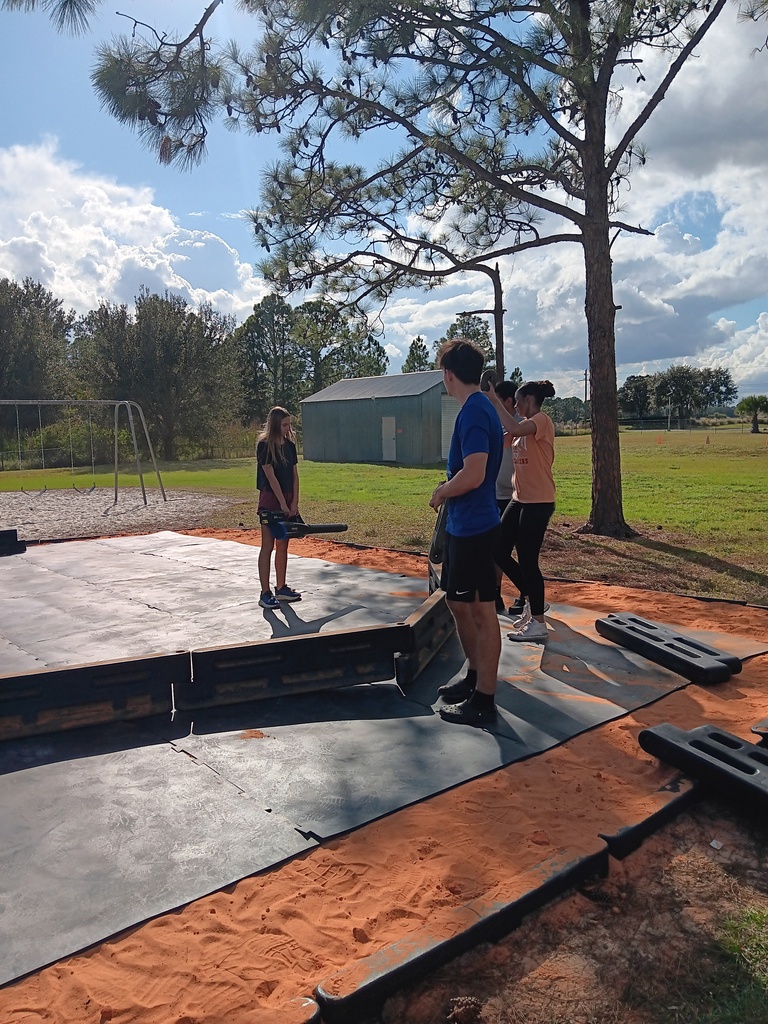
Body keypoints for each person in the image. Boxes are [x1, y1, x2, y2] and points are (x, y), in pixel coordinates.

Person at [430, 339, 504, 726]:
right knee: (458, 604)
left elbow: (474, 474)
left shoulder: (475, 411)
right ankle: (475, 677)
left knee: (481, 609)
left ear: (448, 374)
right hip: (464, 526)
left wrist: (442, 491)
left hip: (476, 528)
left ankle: (485, 700)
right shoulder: (472, 409)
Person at [486, 378, 556, 643]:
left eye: (517, 401)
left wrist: (495, 399)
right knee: (499, 551)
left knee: (528, 561)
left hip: (538, 501)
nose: (515, 406)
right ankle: (532, 600)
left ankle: (538, 622)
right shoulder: (521, 429)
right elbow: (502, 440)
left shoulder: (541, 421)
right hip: (520, 498)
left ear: (528, 399)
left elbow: (514, 426)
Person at [256, 406, 303, 610]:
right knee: (268, 545)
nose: (287, 428)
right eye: (284, 425)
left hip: (287, 498)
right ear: (275, 425)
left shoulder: (290, 446)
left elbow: (294, 475)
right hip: (270, 499)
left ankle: (281, 587)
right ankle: (265, 592)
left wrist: (294, 502)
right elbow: (270, 475)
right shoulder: (264, 445)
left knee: (283, 545)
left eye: (289, 424)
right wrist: (282, 503)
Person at [492, 379, 524, 614]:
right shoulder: (497, 424)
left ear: (509, 402)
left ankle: (527, 595)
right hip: (496, 495)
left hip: (519, 497)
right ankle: (494, 593)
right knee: (498, 549)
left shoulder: (522, 426)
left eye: (497, 401)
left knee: (522, 551)